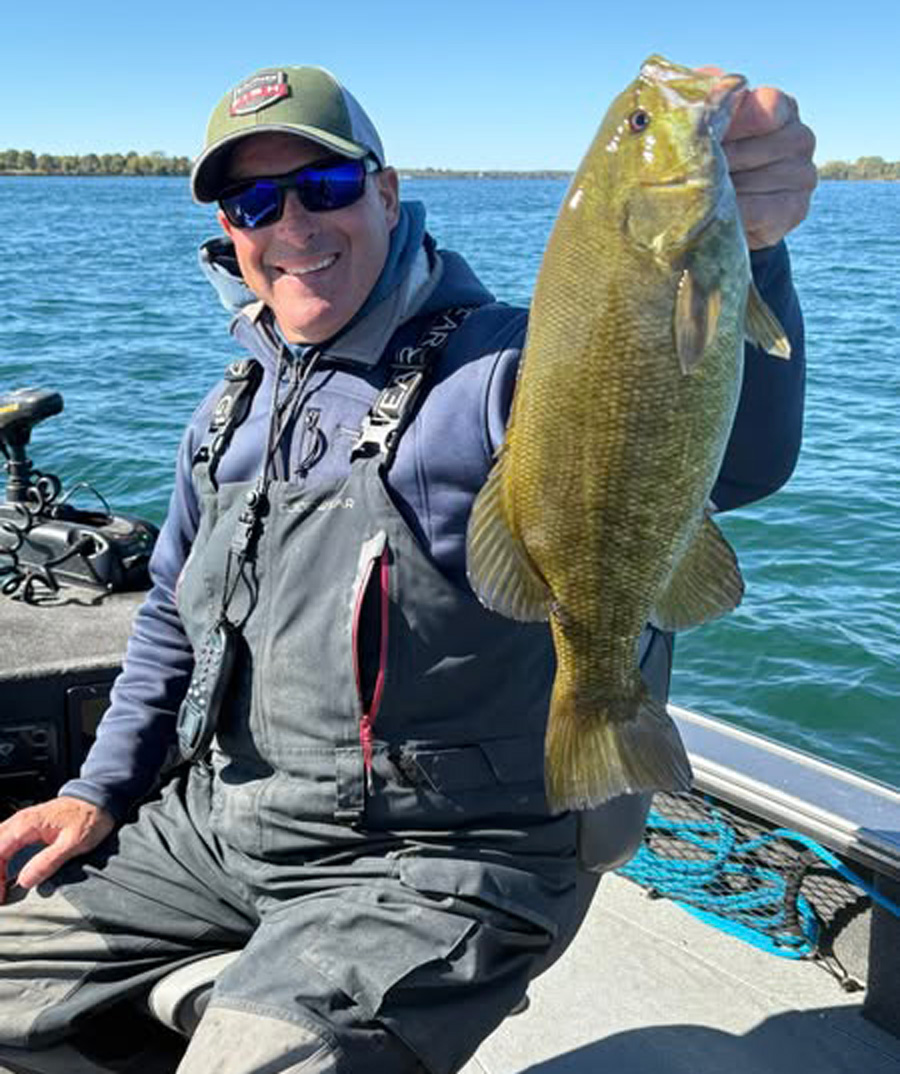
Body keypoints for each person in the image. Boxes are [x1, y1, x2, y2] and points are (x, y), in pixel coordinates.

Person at [0, 64, 816, 1074]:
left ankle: (273, 1010)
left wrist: (752, 249)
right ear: (229, 229)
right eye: (254, 202)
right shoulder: (226, 414)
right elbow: (170, 617)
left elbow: (739, 459)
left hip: (438, 863)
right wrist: (96, 791)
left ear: (387, 195)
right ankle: (234, 990)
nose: (292, 222)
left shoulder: (500, 370)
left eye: (325, 186)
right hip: (219, 830)